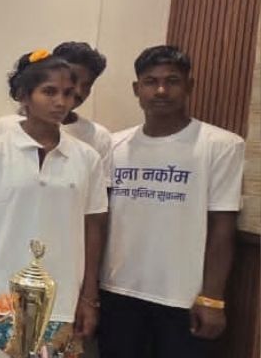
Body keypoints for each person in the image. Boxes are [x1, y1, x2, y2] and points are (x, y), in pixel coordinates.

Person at [98, 46, 245, 358]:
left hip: (184, 299)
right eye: (151, 82)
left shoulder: (222, 145)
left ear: (189, 86)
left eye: (172, 81)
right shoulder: (113, 145)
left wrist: (213, 298)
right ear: (137, 89)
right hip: (117, 291)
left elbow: (222, 228)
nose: (161, 90)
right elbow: (99, 220)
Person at [0, 51, 108, 358]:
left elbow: (93, 229)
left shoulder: (87, 158)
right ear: (24, 96)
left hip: (62, 298)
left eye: (68, 93)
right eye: (49, 92)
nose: (61, 102)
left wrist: (89, 297)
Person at [0, 42, 114, 179]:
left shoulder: (98, 136)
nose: (78, 91)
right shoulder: (4, 128)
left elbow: (100, 189)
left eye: (86, 85)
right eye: (73, 81)